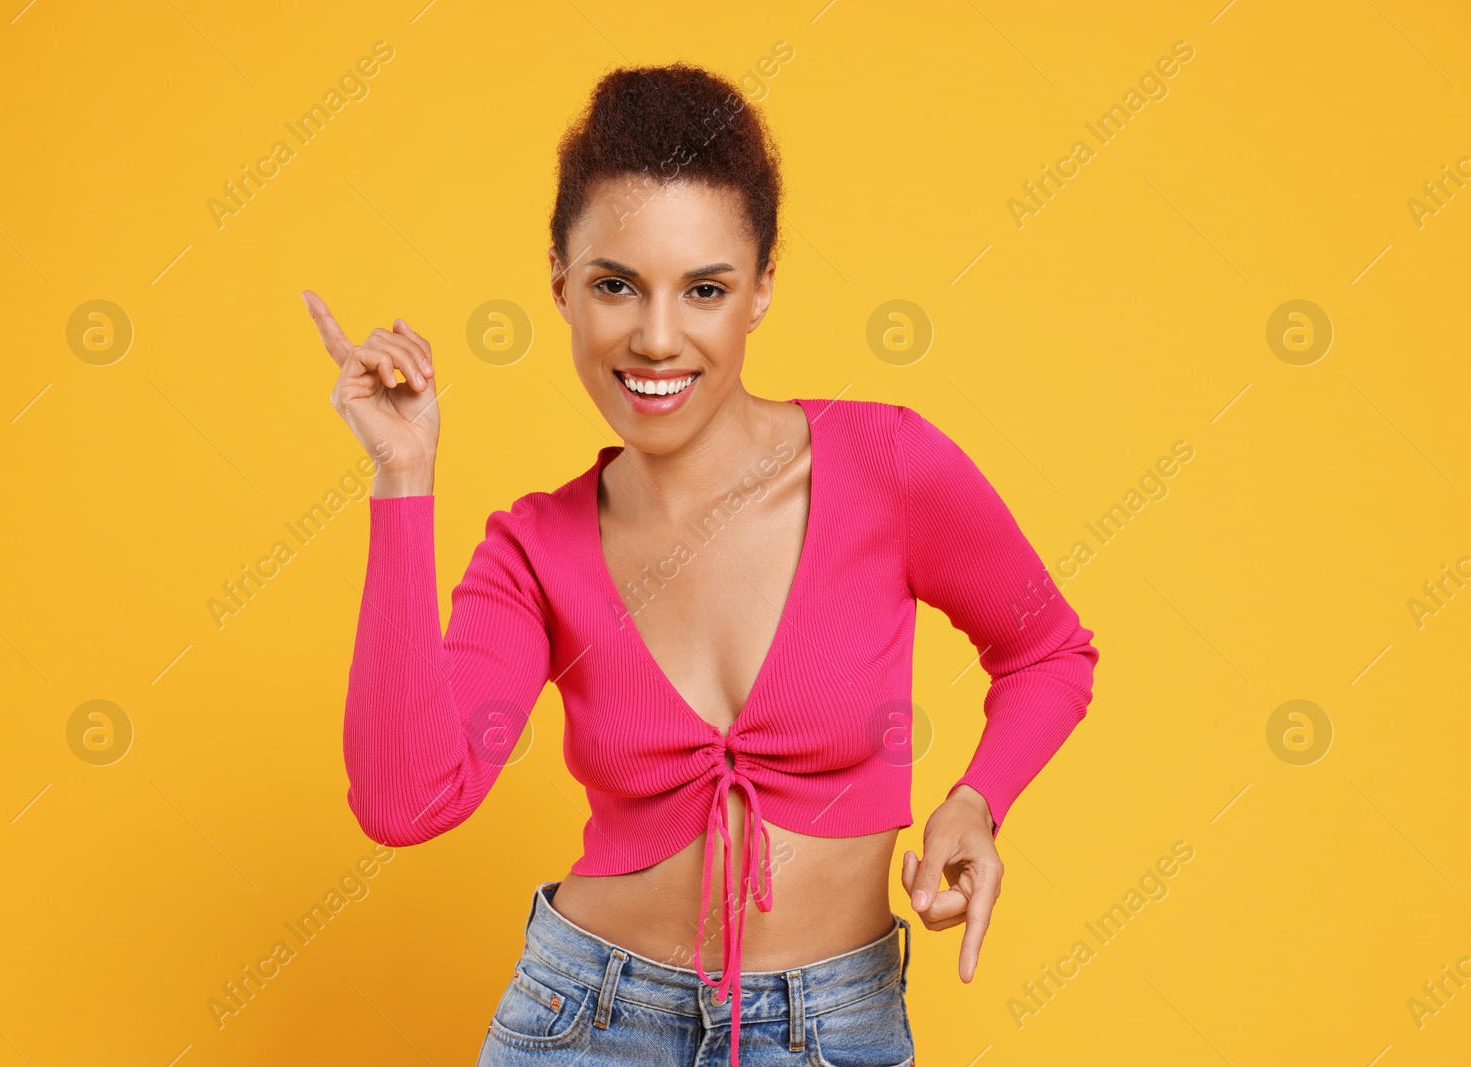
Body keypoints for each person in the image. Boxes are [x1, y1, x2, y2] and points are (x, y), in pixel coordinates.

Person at [302, 62, 1098, 1067]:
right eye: (615, 285)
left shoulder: (889, 469)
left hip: (834, 1025)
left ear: (761, 288)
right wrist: (403, 477)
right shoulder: (532, 550)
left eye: (705, 288)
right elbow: (405, 799)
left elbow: (1046, 648)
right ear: (559, 282)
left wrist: (976, 799)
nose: (657, 337)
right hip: (584, 1020)